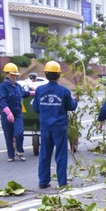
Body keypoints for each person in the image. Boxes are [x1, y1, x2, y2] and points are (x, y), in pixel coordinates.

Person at [33, 61, 78, 189]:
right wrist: (76, 100)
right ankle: (62, 182)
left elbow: (36, 109)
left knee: (45, 154)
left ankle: (43, 181)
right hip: (59, 127)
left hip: (45, 127)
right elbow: (71, 106)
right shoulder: (64, 91)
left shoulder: (39, 90)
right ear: (58, 75)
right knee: (61, 155)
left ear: (46, 74)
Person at [0, 63, 30, 162]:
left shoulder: (18, 86)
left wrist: (34, 92)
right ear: (7, 74)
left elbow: (23, 94)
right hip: (6, 114)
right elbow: (2, 100)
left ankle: (20, 151)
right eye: (12, 74)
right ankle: (11, 155)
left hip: (18, 113)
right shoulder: (2, 87)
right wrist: (8, 113)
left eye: (16, 75)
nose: (14, 76)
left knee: (19, 133)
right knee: (8, 135)